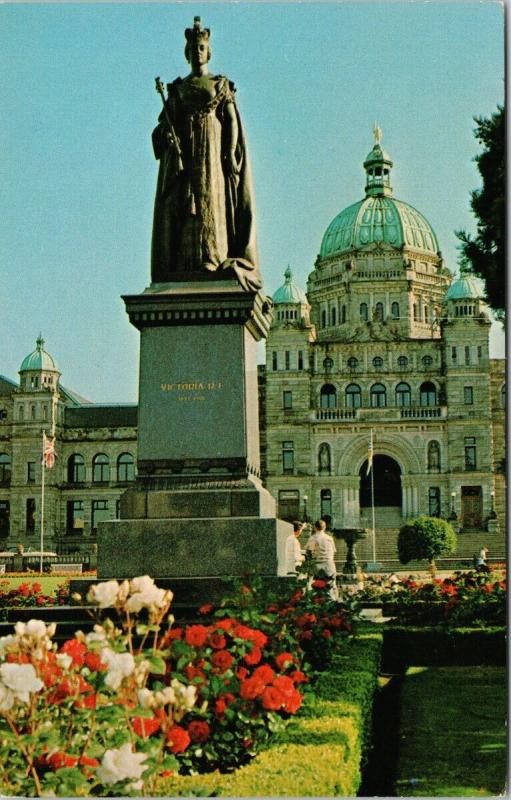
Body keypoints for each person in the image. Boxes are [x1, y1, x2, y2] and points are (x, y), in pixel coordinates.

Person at [150, 17, 261, 292]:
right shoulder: (178, 89)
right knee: (187, 207)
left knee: (213, 205)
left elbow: (232, 120)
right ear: (187, 54)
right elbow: (164, 125)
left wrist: (231, 153)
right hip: (187, 158)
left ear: (208, 51)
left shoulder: (219, 84)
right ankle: (186, 264)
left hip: (212, 156)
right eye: (194, 48)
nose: (198, 52)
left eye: (202, 47)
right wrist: (166, 135)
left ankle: (213, 259)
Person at [306, 519, 338, 598]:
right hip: (329, 565)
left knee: (313, 587)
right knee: (331, 587)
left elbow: (309, 552)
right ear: (325, 527)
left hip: (317, 566)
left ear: (315, 527)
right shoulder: (330, 538)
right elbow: (333, 552)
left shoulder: (313, 538)